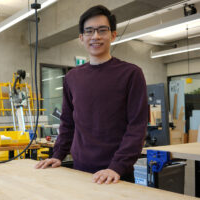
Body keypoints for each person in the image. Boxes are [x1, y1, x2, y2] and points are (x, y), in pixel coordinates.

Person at [35, 5, 148, 185]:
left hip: (117, 175)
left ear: (112, 35)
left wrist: (116, 166)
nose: (95, 36)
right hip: (80, 171)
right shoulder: (72, 77)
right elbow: (67, 122)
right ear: (81, 38)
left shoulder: (131, 74)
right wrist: (58, 155)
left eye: (102, 30)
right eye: (89, 31)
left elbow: (137, 126)